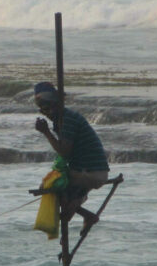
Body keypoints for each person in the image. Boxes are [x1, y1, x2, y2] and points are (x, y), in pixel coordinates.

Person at [33, 81, 109, 233]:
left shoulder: (67, 119)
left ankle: (79, 208)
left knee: (50, 186)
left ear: (55, 104)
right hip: (92, 170)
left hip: (89, 172)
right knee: (63, 196)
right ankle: (77, 207)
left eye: (47, 108)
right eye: (42, 111)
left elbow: (64, 151)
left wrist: (46, 132)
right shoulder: (63, 120)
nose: (46, 113)